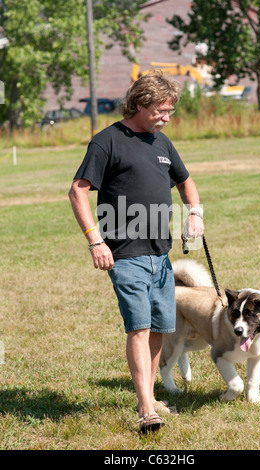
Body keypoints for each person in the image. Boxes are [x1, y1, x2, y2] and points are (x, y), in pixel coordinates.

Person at [68, 71, 204, 433]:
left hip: (161, 254)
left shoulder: (162, 143)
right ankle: (146, 408)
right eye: (161, 110)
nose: (167, 117)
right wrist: (95, 241)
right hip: (125, 255)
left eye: (170, 111)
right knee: (140, 328)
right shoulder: (107, 141)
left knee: (158, 326)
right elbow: (78, 191)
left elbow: (184, 180)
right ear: (140, 104)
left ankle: (150, 395)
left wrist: (195, 212)